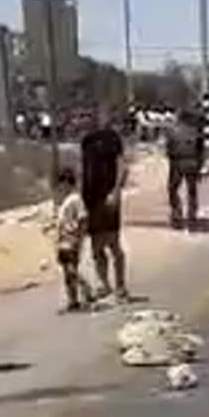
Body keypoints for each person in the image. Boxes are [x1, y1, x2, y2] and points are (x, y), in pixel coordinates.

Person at [80, 109, 129, 302]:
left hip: (108, 197)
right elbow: (83, 170)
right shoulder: (86, 141)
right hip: (90, 199)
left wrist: (116, 191)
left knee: (114, 244)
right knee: (96, 246)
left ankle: (121, 285)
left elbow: (121, 166)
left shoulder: (111, 139)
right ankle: (104, 284)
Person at [52, 169, 92, 312]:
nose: (60, 188)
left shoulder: (75, 199)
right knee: (67, 273)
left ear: (66, 183)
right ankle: (73, 301)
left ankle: (86, 289)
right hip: (63, 239)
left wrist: (79, 238)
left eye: (61, 184)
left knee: (71, 270)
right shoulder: (65, 201)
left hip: (71, 239)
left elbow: (83, 219)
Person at [165, 110, 204, 230]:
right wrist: (199, 167)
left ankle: (177, 214)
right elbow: (200, 151)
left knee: (172, 188)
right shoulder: (195, 132)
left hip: (177, 162)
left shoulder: (172, 131)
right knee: (192, 190)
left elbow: (169, 150)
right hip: (192, 162)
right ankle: (192, 217)